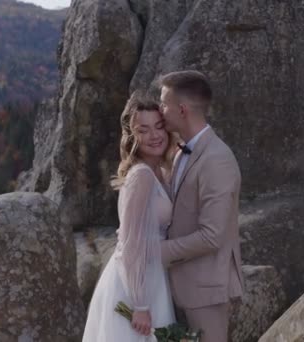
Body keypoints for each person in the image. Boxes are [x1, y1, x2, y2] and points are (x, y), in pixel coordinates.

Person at [159, 70, 244, 342]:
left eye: (164, 104)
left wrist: (156, 252)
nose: (160, 110)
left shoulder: (216, 159)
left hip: (206, 290)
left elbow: (212, 235)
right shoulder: (180, 151)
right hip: (178, 284)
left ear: (182, 109)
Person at [82, 98, 178, 342]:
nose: (154, 135)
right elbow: (130, 242)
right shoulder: (141, 176)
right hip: (135, 285)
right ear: (131, 136)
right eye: (143, 130)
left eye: (158, 126)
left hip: (152, 274)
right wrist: (141, 304)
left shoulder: (160, 171)